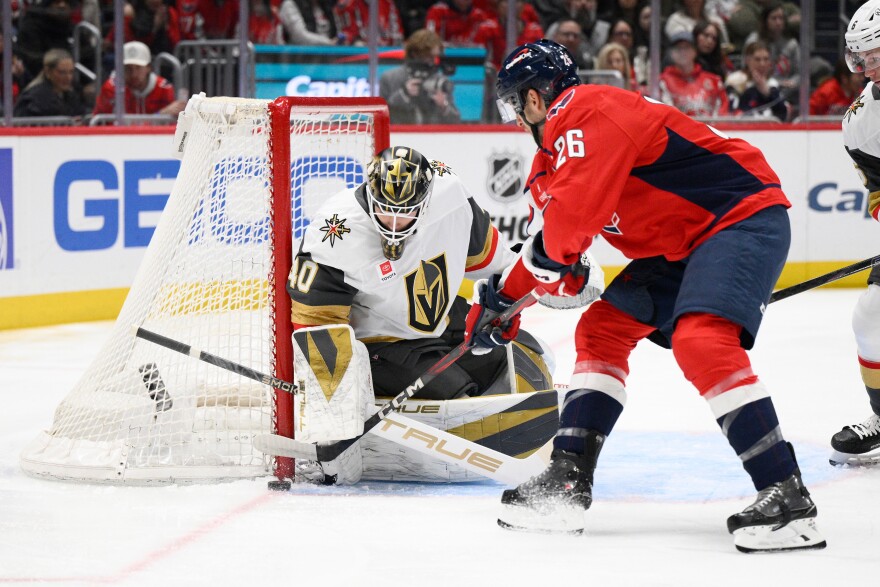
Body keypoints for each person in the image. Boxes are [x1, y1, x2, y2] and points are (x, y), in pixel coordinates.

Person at [479, 38, 825, 552]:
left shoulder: (586, 111)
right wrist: (507, 300)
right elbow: (551, 253)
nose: (515, 119)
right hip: (681, 243)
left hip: (739, 217)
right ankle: (568, 479)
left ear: (534, 99)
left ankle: (789, 498)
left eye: (514, 105)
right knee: (601, 329)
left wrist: (519, 287)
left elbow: (563, 236)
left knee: (701, 340)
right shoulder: (550, 160)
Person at [289, 145, 565, 402]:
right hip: (382, 345)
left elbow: (494, 261)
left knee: (531, 356)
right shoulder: (336, 233)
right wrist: (333, 399)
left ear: (425, 201)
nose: (395, 224)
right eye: (386, 211)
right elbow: (317, 323)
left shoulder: (452, 198)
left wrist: (543, 268)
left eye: (405, 212)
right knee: (455, 392)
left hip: (444, 323)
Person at [827, 0, 880, 466]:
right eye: (863, 58)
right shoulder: (861, 124)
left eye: (877, 55)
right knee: (870, 319)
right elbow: (879, 191)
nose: (869, 68)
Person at [379, 29, 460, 124]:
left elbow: (456, 122)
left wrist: (444, 106)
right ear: (415, 54)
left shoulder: (440, 81)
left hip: (432, 136)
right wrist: (403, 94)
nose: (432, 61)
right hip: (400, 135)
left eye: (435, 57)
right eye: (428, 56)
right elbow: (381, 118)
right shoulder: (391, 78)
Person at [93, 41, 185, 116]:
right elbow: (99, 124)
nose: (134, 74)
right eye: (128, 68)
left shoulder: (163, 89)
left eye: (138, 67)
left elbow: (174, 127)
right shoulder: (111, 88)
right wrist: (160, 115)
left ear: (148, 67)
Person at [659, 30, 729, 117]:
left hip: (709, 129)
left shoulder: (714, 81)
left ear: (695, 51)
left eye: (687, 47)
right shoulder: (662, 82)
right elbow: (666, 115)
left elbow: (722, 114)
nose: (683, 52)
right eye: (678, 48)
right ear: (671, 54)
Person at [725, 40, 790, 121]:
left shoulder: (774, 84)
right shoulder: (734, 80)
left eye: (766, 59)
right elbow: (730, 112)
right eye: (757, 59)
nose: (762, 64)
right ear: (747, 60)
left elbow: (783, 116)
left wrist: (767, 93)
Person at [13, 48, 87, 118]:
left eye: (71, 72)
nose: (68, 78)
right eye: (62, 72)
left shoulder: (73, 95)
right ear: (48, 72)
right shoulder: (33, 100)